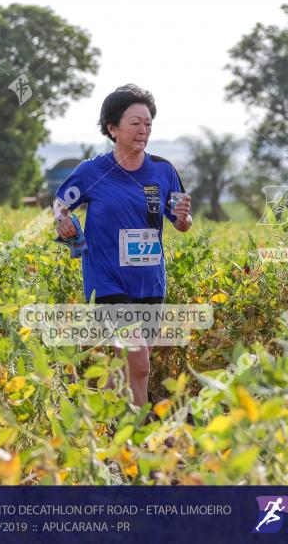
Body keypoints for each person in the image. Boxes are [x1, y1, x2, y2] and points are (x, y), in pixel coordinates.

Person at [53, 84, 192, 405]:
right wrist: (64, 223)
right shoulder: (92, 171)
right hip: (107, 280)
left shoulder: (163, 170)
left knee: (128, 368)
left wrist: (184, 218)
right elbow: (61, 205)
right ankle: (141, 440)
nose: (143, 130)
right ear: (113, 128)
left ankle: (109, 430)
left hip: (150, 282)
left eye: (148, 124)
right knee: (139, 362)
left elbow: (181, 223)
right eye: (135, 123)